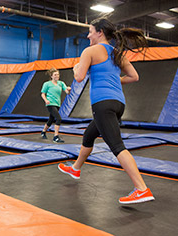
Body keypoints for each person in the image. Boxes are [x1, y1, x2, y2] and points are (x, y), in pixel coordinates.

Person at [58, 18, 155, 204]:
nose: (88, 35)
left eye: (90, 31)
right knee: (89, 135)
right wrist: (114, 80)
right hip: (118, 104)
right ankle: (76, 168)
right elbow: (134, 77)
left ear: (100, 32)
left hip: (102, 104)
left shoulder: (90, 51)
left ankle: (141, 188)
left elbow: (78, 78)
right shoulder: (117, 53)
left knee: (117, 147)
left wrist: (75, 67)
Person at [40, 68, 71, 143]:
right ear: (51, 76)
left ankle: (43, 131)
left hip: (57, 104)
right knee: (58, 119)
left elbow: (67, 92)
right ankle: (55, 137)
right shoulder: (47, 84)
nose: (57, 76)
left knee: (51, 119)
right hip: (50, 103)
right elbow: (43, 94)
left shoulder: (61, 83)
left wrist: (69, 90)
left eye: (58, 74)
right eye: (55, 75)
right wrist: (46, 100)